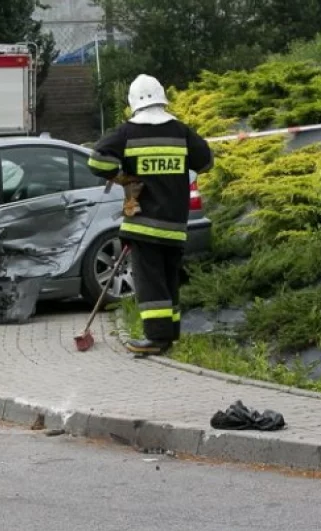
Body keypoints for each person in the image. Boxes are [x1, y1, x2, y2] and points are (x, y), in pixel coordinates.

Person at [87, 74, 213, 355]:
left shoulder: (126, 133)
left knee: (150, 282)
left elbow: (96, 160)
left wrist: (121, 176)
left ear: (133, 102)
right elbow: (206, 161)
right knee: (169, 280)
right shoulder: (180, 131)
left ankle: (155, 339)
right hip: (175, 224)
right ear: (162, 98)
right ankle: (169, 336)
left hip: (143, 224)